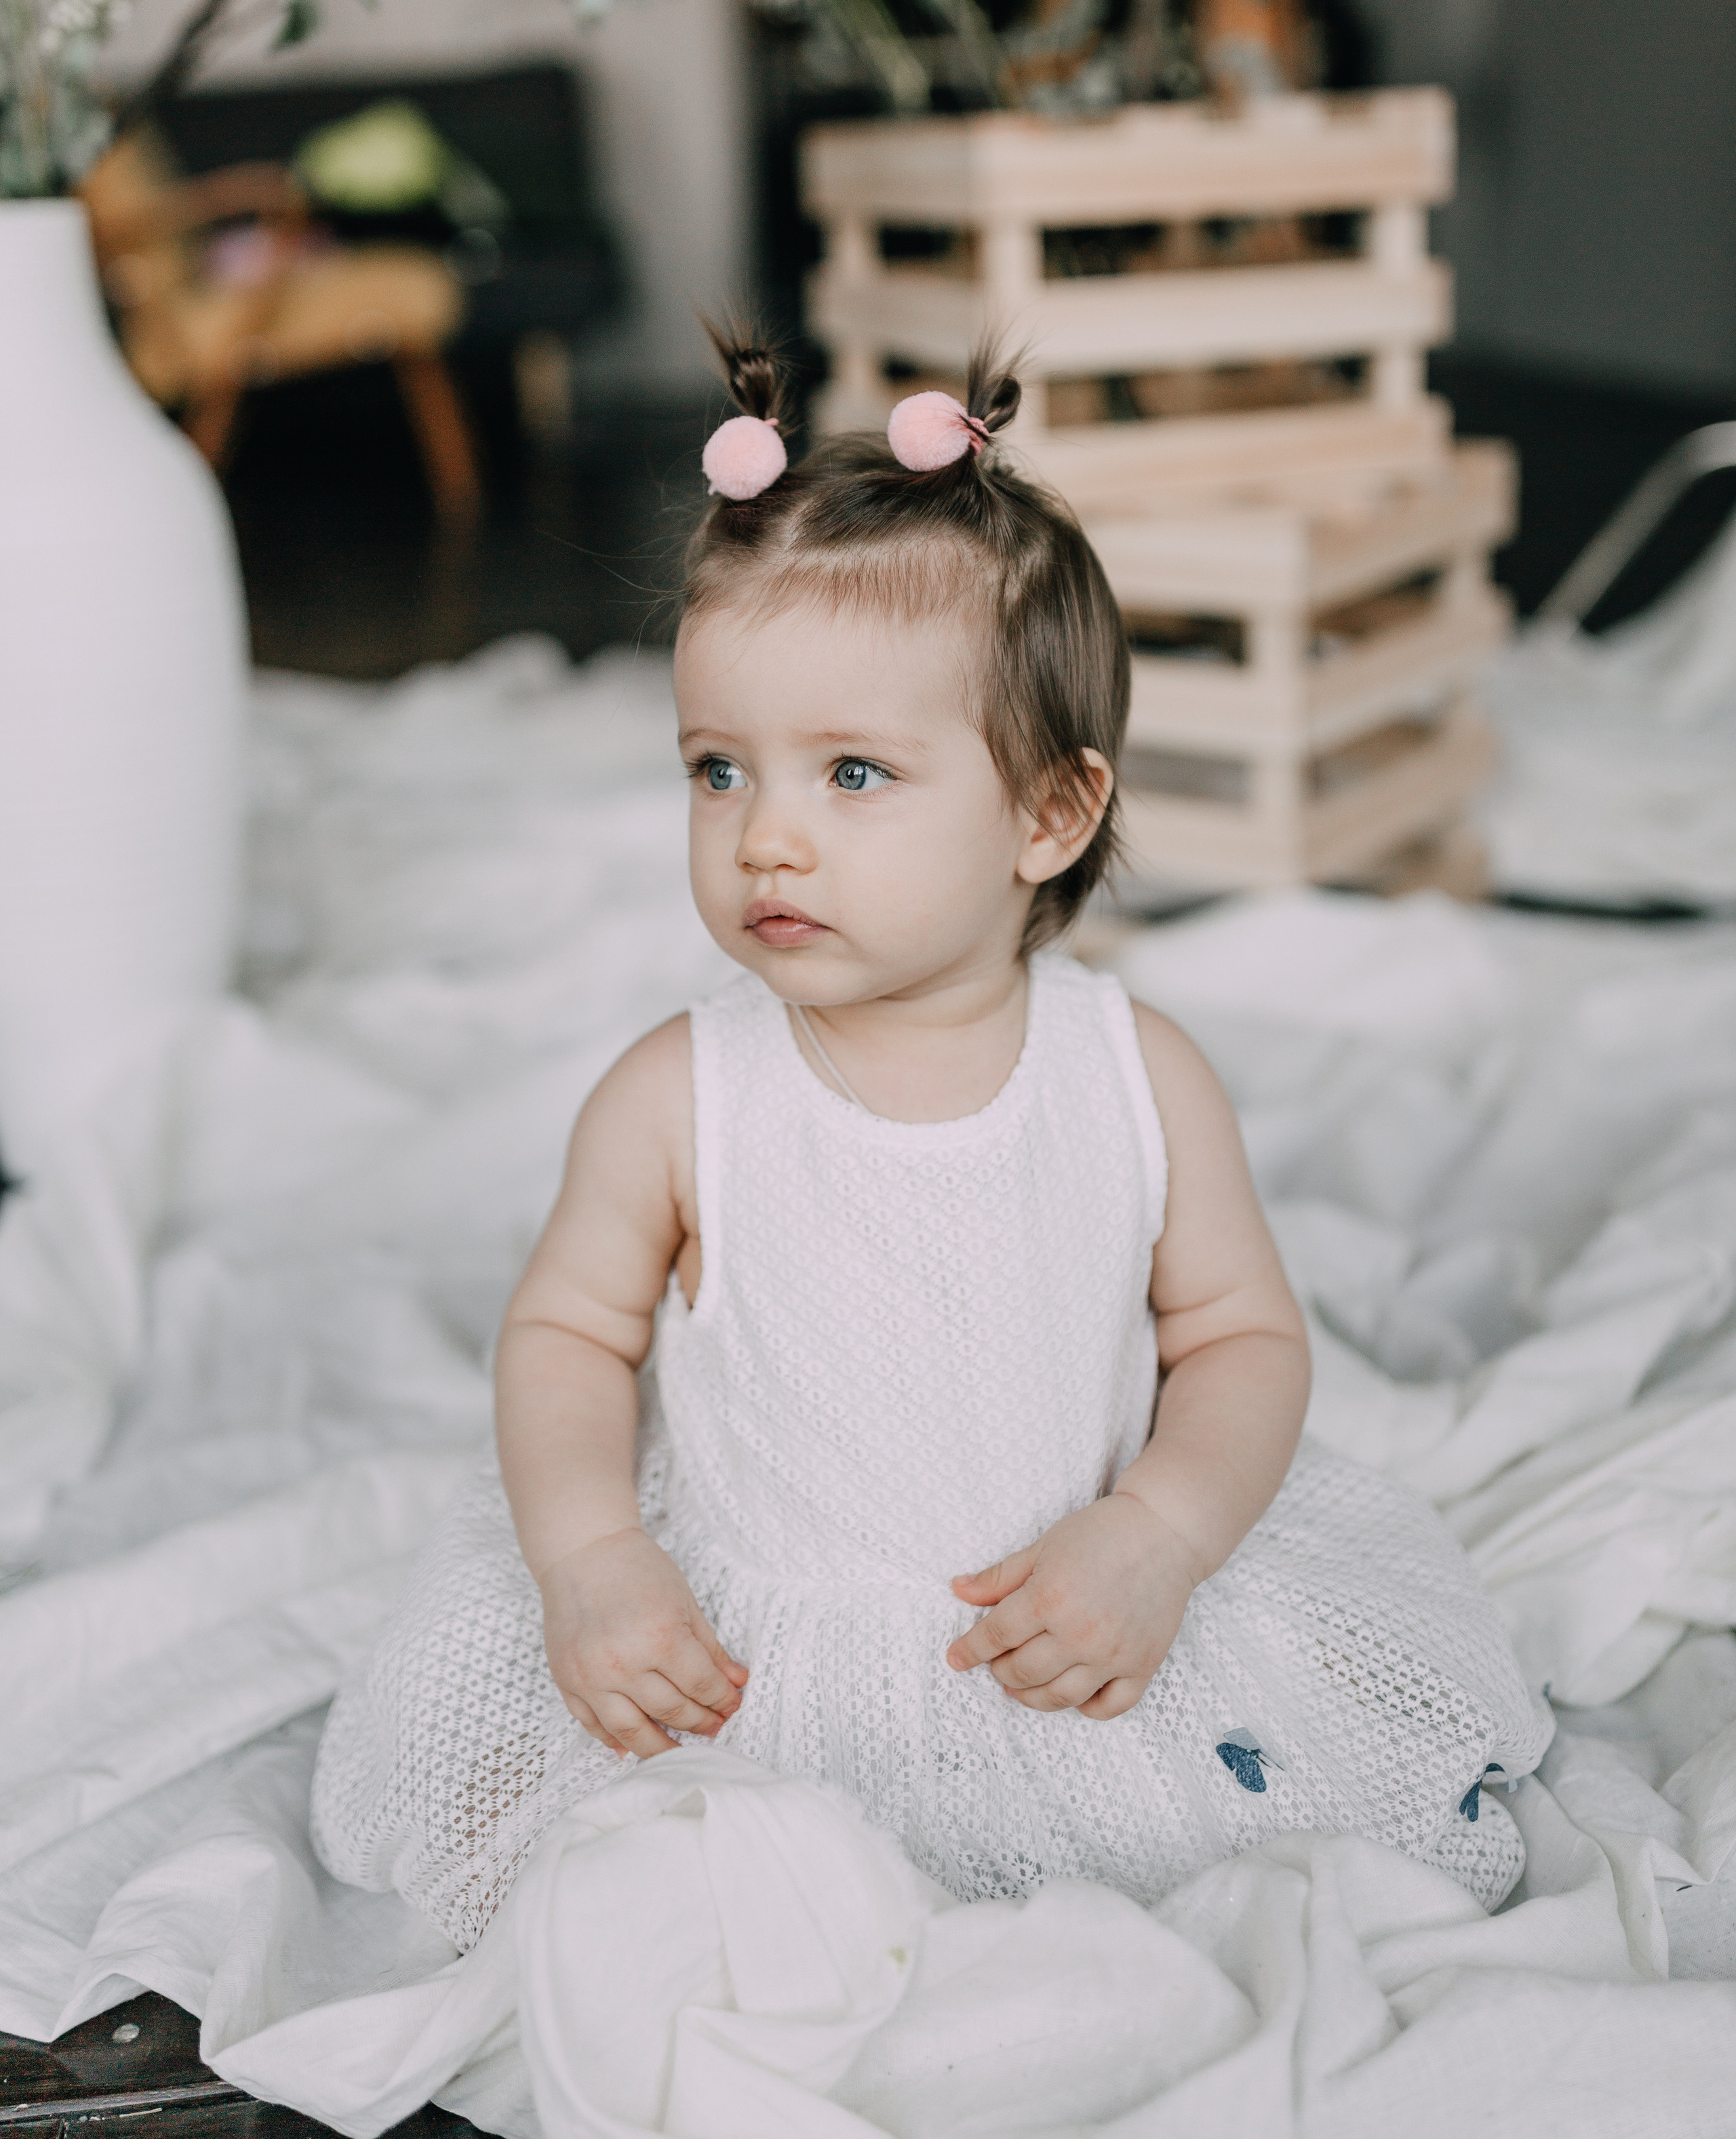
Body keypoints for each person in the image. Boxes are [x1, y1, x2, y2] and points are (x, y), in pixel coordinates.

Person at [311, 338, 1551, 1951]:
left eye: (850, 772)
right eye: (716, 769)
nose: (765, 831)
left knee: (1198, 1886)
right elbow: (563, 1330)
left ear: (1047, 815)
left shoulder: (1132, 1077)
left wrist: (1160, 1532)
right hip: (765, 1645)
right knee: (663, 1903)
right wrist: (592, 1554)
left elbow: (1241, 1337)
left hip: (1057, 1613)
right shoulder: (678, 1095)